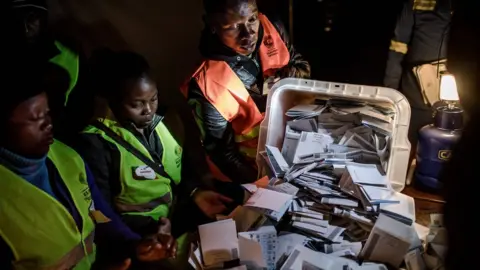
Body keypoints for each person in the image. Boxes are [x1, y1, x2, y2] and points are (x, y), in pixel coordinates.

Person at [76, 50, 245, 267]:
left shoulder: (167, 120)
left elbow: (182, 167)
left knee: (238, 201)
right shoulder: (96, 144)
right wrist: (146, 236)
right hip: (140, 236)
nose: (148, 110)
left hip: (175, 216)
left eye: (153, 98)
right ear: (113, 101)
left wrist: (196, 192)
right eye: (136, 104)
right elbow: (102, 213)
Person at [0, 64, 177, 270]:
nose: (48, 123)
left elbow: (97, 214)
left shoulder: (66, 156)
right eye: (35, 117)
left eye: (47, 112)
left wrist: (135, 245)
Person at [180, 0, 311, 184]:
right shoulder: (205, 84)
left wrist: (288, 77)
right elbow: (223, 154)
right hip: (247, 173)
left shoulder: (270, 25)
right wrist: (265, 185)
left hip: (295, 147)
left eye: (252, 19)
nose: (249, 34)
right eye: (233, 27)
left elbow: (299, 64)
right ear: (212, 25)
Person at [7, 0, 92, 137]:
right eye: (17, 18)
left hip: (61, 138)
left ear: (43, 18)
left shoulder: (68, 52)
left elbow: (82, 104)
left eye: (32, 17)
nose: (26, 27)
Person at [384, 0, 453, 145]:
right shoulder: (415, 3)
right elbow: (398, 46)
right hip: (419, 94)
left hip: (460, 96)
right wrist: (391, 91)